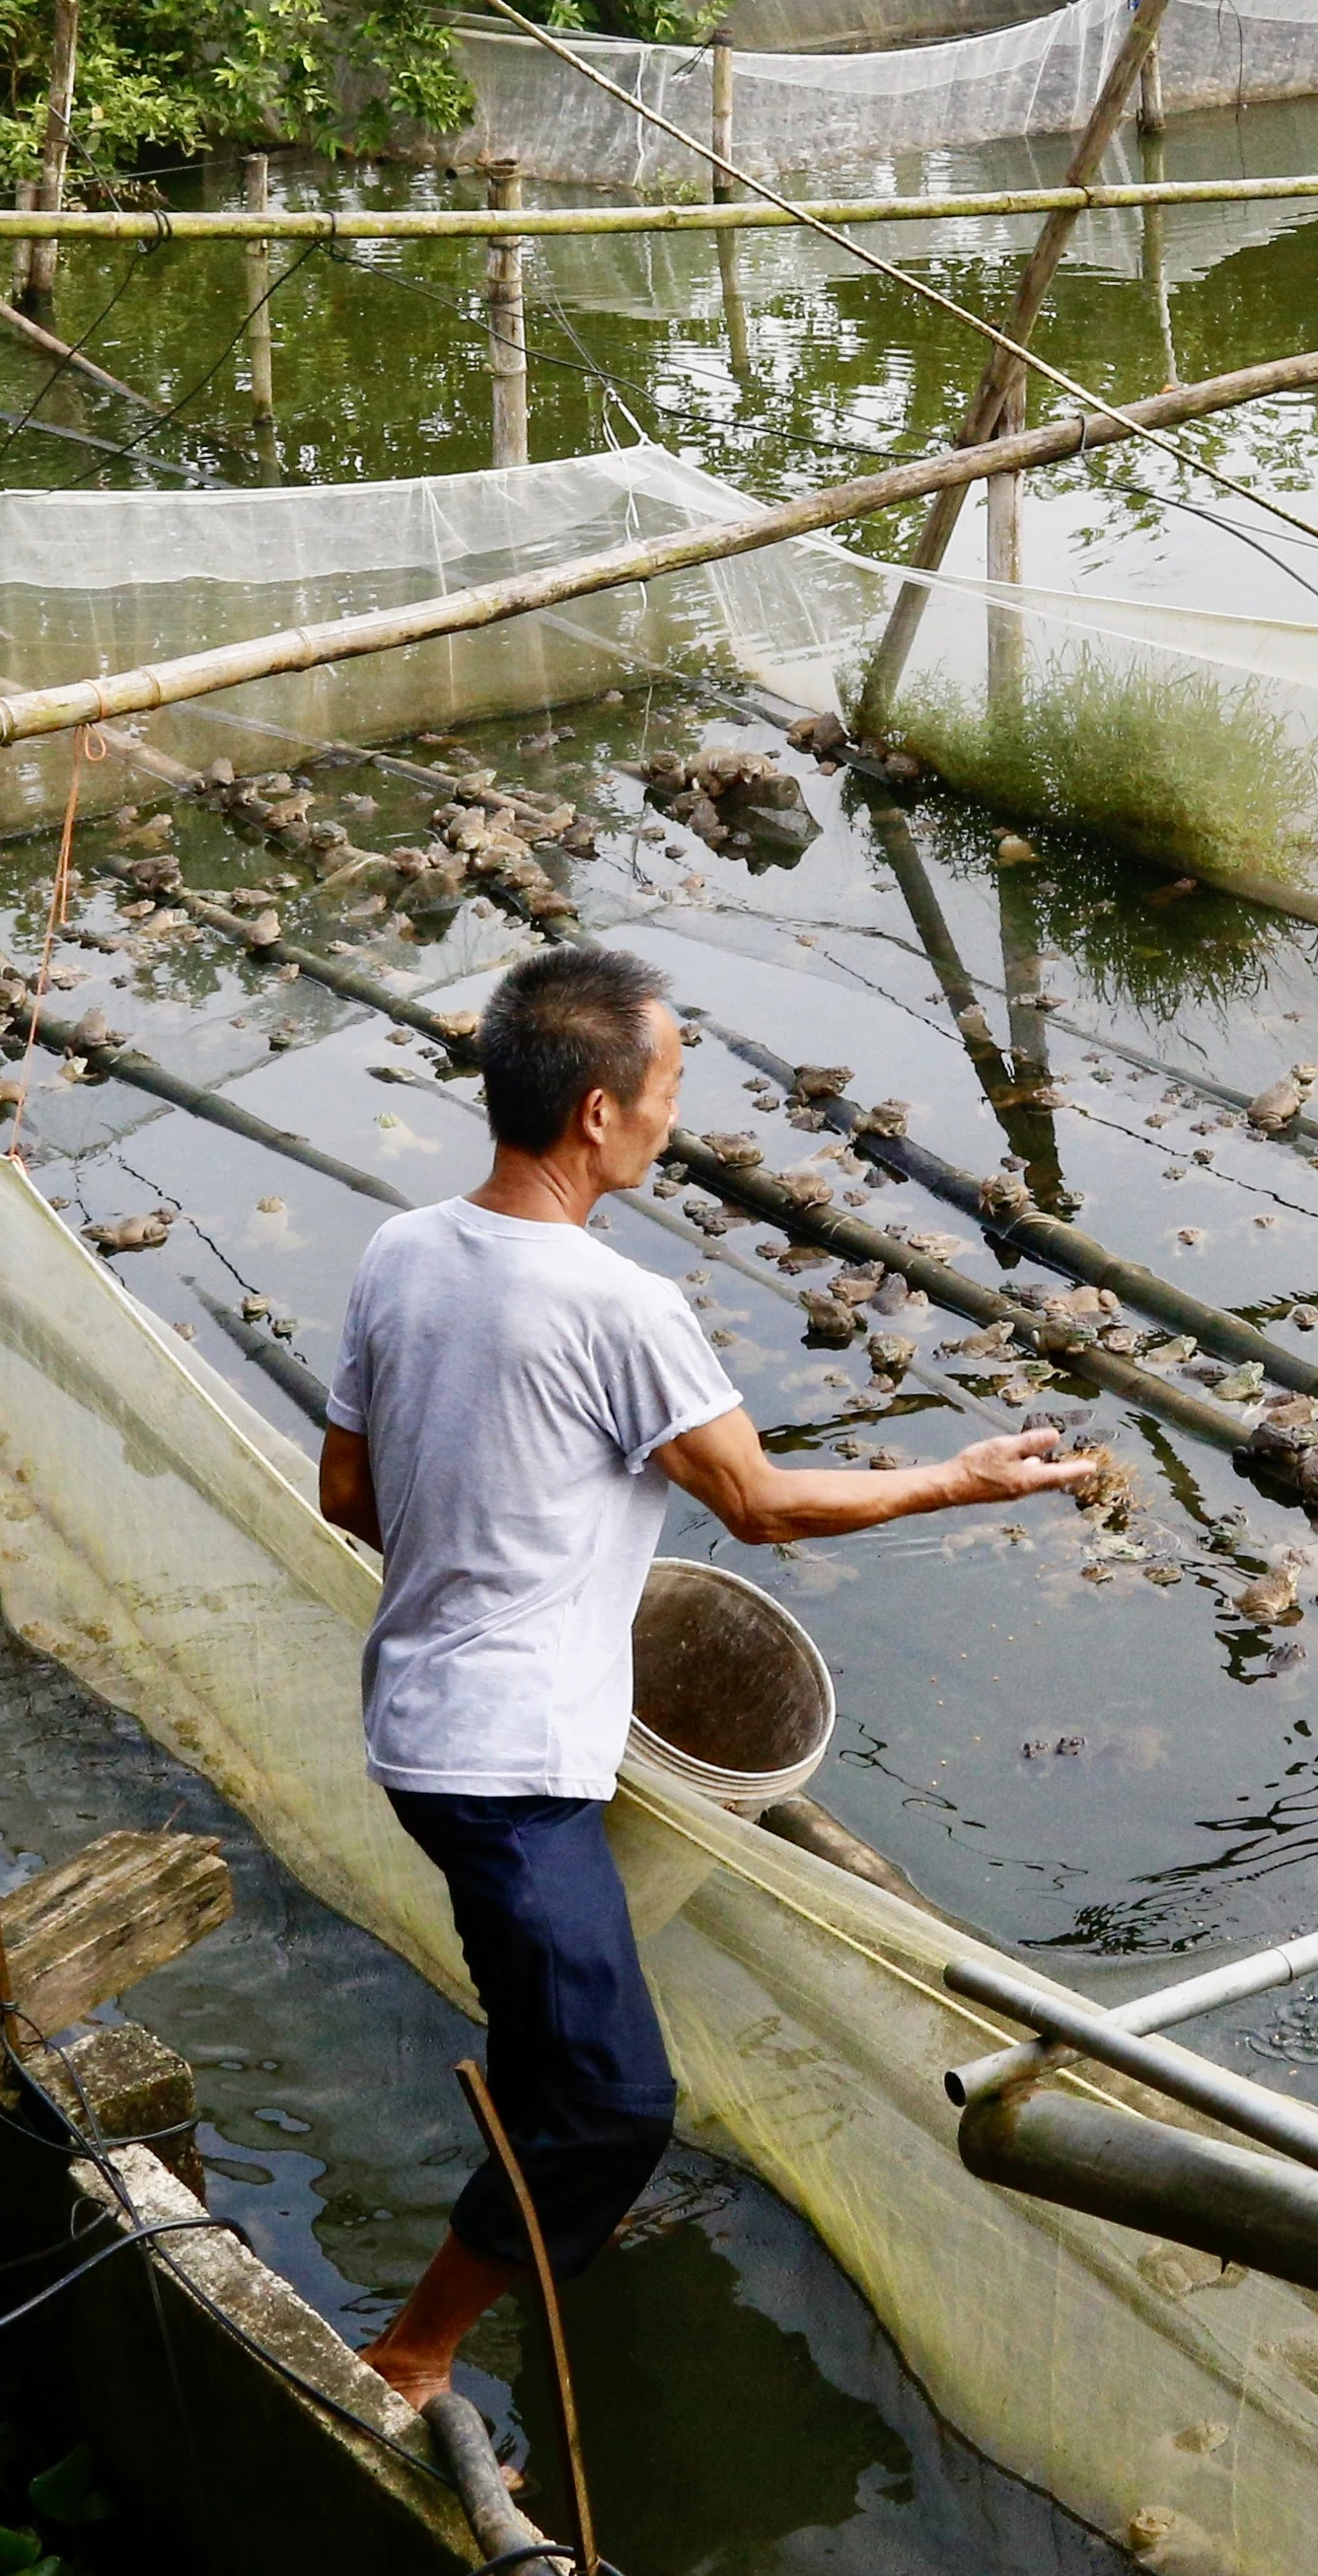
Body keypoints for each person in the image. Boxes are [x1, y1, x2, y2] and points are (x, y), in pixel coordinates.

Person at [318, 941, 1092, 2406]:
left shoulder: (402, 1251)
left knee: (555, 2058)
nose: (676, 1115)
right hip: (511, 1776)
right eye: (668, 1087)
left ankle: (518, 2209)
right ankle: (408, 2359)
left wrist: (490, 1540)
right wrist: (963, 1478)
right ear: (599, 1112)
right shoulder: (623, 1308)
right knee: (613, 2112)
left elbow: (347, 1496)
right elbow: (760, 1504)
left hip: (420, 1725)